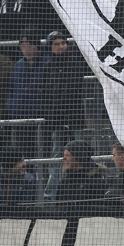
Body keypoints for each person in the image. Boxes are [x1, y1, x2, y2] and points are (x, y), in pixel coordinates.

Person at [40, 30, 88, 200]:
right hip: (57, 121)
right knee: (57, 157)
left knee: (80, 156)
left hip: (74, 118)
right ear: (50, 47)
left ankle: (80, 194)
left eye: (62, 43)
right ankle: (51, 196)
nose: (60, 47)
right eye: (56, 44)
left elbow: (74, 91)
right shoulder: (47, 67)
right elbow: (45, 94)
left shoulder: (75, 64)